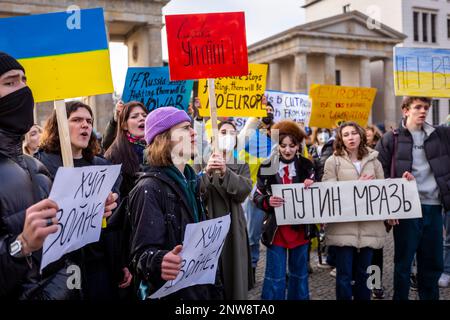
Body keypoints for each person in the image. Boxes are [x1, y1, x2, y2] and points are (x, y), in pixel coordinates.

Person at [0, 52, 116, 299]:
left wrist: (89, 212)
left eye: (24, 80)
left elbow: (60, 241)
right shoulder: (44, 162)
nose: (24, 89)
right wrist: (21, 245)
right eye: (10, 82)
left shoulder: (35, 168)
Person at [129, 106, 223, 300]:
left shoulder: (192, 181)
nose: (194, 132)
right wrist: (159, 261)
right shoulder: (149, 188)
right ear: (164, 139)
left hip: (198, 290)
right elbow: (140, 256)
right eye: (185, 128)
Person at [36, 101, 127, 300]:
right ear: (59, 125)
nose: (85, 125)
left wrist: (121, 262)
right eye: (76, 120)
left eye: (89, 121)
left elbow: (115, 225)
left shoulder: (101, 166)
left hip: (101, 266)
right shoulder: (41, 166)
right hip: (63, 269)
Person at [376, 96, 450, 300]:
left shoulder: (441, 134)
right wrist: (388, 208)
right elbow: (379, 171)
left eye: (426, 107)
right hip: (406, 210)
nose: (423, 111)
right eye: (418, 107)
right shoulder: (391, 138)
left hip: (434, 208)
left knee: (432, 265)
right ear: (405, 110)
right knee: (403, 263)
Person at [322, 121, 386, 300]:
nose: (351, 137)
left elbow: (384, 190)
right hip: (344, 227)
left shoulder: (374, 160)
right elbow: (329, 189)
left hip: (369, 226)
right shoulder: (332, 161)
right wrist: (356, 186)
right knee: (344, 276)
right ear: (341, 139)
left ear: (361, 135)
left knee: (364, 274)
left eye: (354, 133)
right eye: (346, 134)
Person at [253, 120, 314, 300]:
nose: (287, 150)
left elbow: (318, 197)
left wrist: (313, 185)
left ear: (298, 146)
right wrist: (267, 200)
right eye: (283, 145)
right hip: (276, 231)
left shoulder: (307, 166)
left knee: (299, 274)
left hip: (301, 230)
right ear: (277, 146)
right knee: (275, 276)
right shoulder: (267, 166)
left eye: (292, 146)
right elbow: (256, 196)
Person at [197, 120, 253, 300]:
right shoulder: (200, 162)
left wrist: (225, 173)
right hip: (207, 224)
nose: (228, 136)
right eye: (223, 132)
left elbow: (244, 191)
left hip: (232, 228)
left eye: (232, 133)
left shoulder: (241, 163)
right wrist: (206, 173)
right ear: (214, 137)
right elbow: (193, 191)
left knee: (232, 276)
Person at [104, 101, 148, 197]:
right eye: (134, 116)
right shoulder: (114, 154)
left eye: (144, 115)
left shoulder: (158, 149)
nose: (142, 118)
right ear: (124, 125)